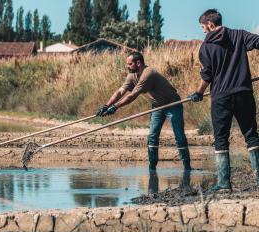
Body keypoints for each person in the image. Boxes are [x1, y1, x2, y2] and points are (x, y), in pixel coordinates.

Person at [189, 9, 259, 192]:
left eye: (203, 27)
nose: (203, 31)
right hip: (244, 93)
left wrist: (198, 93)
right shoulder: (240, 35)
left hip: (221, 97)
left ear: (210, 25)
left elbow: (207, 75)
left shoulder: (206, 47)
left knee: (221, 139)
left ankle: (223, 184)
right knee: (251, 135)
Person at [96, 52, 191, 171]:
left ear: (138, 63)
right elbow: (121, 91)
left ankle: (187, 168)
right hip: (157, 106)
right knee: (152, 136)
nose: (127, 66)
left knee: (179, 136)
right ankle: (152, 168)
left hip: (173, 103)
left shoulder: (148, 73)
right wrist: (106, 105)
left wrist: (115, 107)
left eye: (129, 64)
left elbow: (132, 96)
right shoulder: (132, 75)